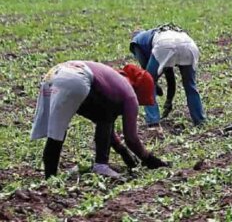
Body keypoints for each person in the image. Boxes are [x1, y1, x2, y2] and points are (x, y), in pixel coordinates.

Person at [31, 61, 169, 179]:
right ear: (141, 92)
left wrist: (122, 151)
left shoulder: (113, 80)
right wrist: (149, 159)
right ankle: (101, 165)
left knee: (57, 130)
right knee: (105, 114)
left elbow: (103, 121)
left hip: (54, 74)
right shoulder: (130, 95)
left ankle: (50, 178)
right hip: (76, 79)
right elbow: (131, 138)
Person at [130, 23, 206, 127]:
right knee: (190, 85)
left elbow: (146, 74)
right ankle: (200, 121)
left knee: (146, 83)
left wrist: (155, 86)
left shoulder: (136, 42)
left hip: (165, 45)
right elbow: (170, 76)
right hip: (189, 45)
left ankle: (153, 122)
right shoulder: (159, 32)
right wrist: (168, 102)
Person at [130, 31, 176, 119]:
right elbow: (170, 78)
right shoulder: (148, 38)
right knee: (168, 74)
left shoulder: (136, 43)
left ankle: (153, 120)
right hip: (169, 45)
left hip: (162, 47)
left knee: (146, 82)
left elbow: (145, 71)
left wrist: (155, 83)